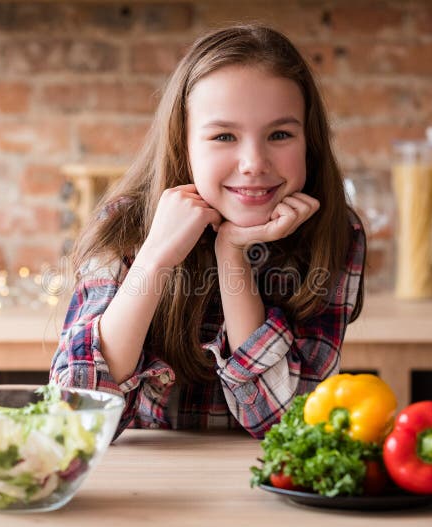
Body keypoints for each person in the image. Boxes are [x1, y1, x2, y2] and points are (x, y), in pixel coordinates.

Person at [49, 24, 366, 439]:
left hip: (269, 481)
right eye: (223, 136)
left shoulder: (335, 231)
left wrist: (231, 251)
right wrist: (155, 257)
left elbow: (288, 422)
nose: (253, 162)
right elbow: (76, 418)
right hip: (151, 486)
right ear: (184, 144)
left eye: (280, 134)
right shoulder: (124, 224)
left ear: (309, 141)